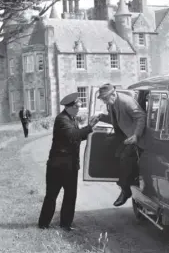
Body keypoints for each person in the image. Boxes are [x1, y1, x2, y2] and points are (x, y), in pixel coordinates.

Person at [38, 92, 100, 231]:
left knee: (70, 196)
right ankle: (43, 225)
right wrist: (89, 128)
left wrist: (91, 130)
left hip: (70, 165)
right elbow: (72, 135)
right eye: (77, 107)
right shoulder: (62, 119)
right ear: (70, 107)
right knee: (51, 196)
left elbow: (76, 137)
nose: (78, 109)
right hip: (58, 166)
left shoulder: (72, 119)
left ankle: (65, 225)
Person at [94, 83, 146, 207]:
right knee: (107, 151)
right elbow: (117, 120)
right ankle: (126, 184)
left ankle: (125, 190)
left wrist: (136, 136)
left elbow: (141, 117)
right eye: (103, 99)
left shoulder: (126, 102)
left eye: (105, 98)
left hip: (135, 137)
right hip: (123, 135)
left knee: (125, 158)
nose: (104, 101)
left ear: (113, 94)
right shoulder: (111, 103)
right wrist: (100, 117)